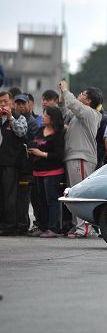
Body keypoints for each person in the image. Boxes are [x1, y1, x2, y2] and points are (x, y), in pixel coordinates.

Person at [58, 80, 103, 238]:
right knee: (73, 194)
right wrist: (62, 95)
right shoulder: (80, 115)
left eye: (83, 94)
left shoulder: (90, 113)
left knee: (80, 194)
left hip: (81, 157)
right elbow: (65, 111)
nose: (79, 95)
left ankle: (84, 228)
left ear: (89, 100)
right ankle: (78, 226)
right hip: (74, 156)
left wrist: (65, 89)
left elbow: (73, 104)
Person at [28, 106, 65, 238]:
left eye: (46, 115)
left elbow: (59, 155)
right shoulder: (40, 130)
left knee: (52, 200)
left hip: (53, 172)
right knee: (41, 201)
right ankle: (43, 227)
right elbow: (34, 143)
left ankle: (53, 228)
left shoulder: (58, 134)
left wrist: (42, 153)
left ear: (53, 118)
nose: (43, 117)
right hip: (38, 171)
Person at [0, 91, 28, 236]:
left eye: (5, 101)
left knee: (9, 196)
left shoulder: (19, 117)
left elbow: (22, 132)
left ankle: (10, 225)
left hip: (11, 163)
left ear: (12, 102)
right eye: (0, 102)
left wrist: (10, 117)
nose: (3, 104)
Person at [14, 94, 39, 234]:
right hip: (16, 164)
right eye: (18, 104)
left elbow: (32, 143)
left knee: (24, 197)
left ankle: (23, 225)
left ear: (29, 104)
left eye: (23, 103)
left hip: (27, 166)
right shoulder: (14, 119)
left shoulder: (32, 122)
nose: (20, 106)